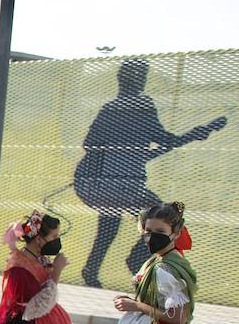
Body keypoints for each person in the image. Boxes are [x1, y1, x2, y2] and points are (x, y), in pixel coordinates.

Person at [74, 59, 226, 287]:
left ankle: (91, 270)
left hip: (100, 184)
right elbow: (163, 139)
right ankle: (135, 258)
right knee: (162, 216)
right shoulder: (141, 105)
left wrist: (194, 134)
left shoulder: (111, 107)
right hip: (119, 183)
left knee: (109, 224)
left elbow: (90, 143)